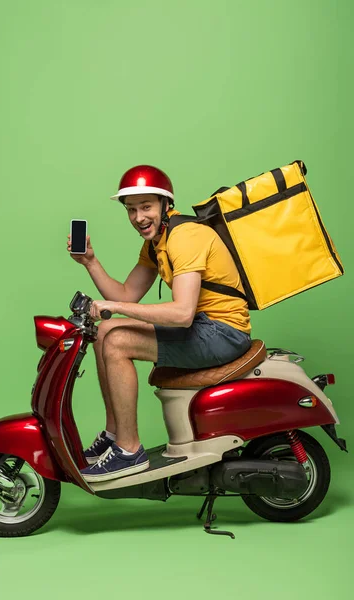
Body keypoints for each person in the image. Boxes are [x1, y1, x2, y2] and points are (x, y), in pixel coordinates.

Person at [67, 165, 251, 483]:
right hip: (202, 328)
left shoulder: (185, 237)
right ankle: (115, 434)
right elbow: (126, 294)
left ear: (166, 205)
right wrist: (91, 263)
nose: (139, 217)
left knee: (117, 340)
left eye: (146, 207)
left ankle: (128, 450)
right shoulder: (157, 242)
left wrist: (115, 307)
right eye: (131, 210)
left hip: (223, 332)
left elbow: (182, 314)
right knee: (103, 333)